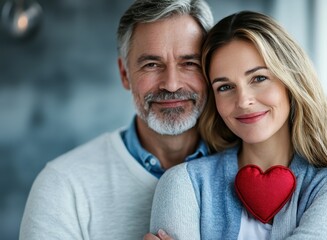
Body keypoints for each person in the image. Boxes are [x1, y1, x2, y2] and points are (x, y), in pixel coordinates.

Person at [147, 11, 327, 240]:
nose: (243, 101)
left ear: (291, 81)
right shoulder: (184, 183)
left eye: (258, 78)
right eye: (225, 87)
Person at [19, 0, 213, 239]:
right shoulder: (63, 185)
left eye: (189, 63)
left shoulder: (245, 166)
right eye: (152, 64)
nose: (171, 84)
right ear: (125, 74)